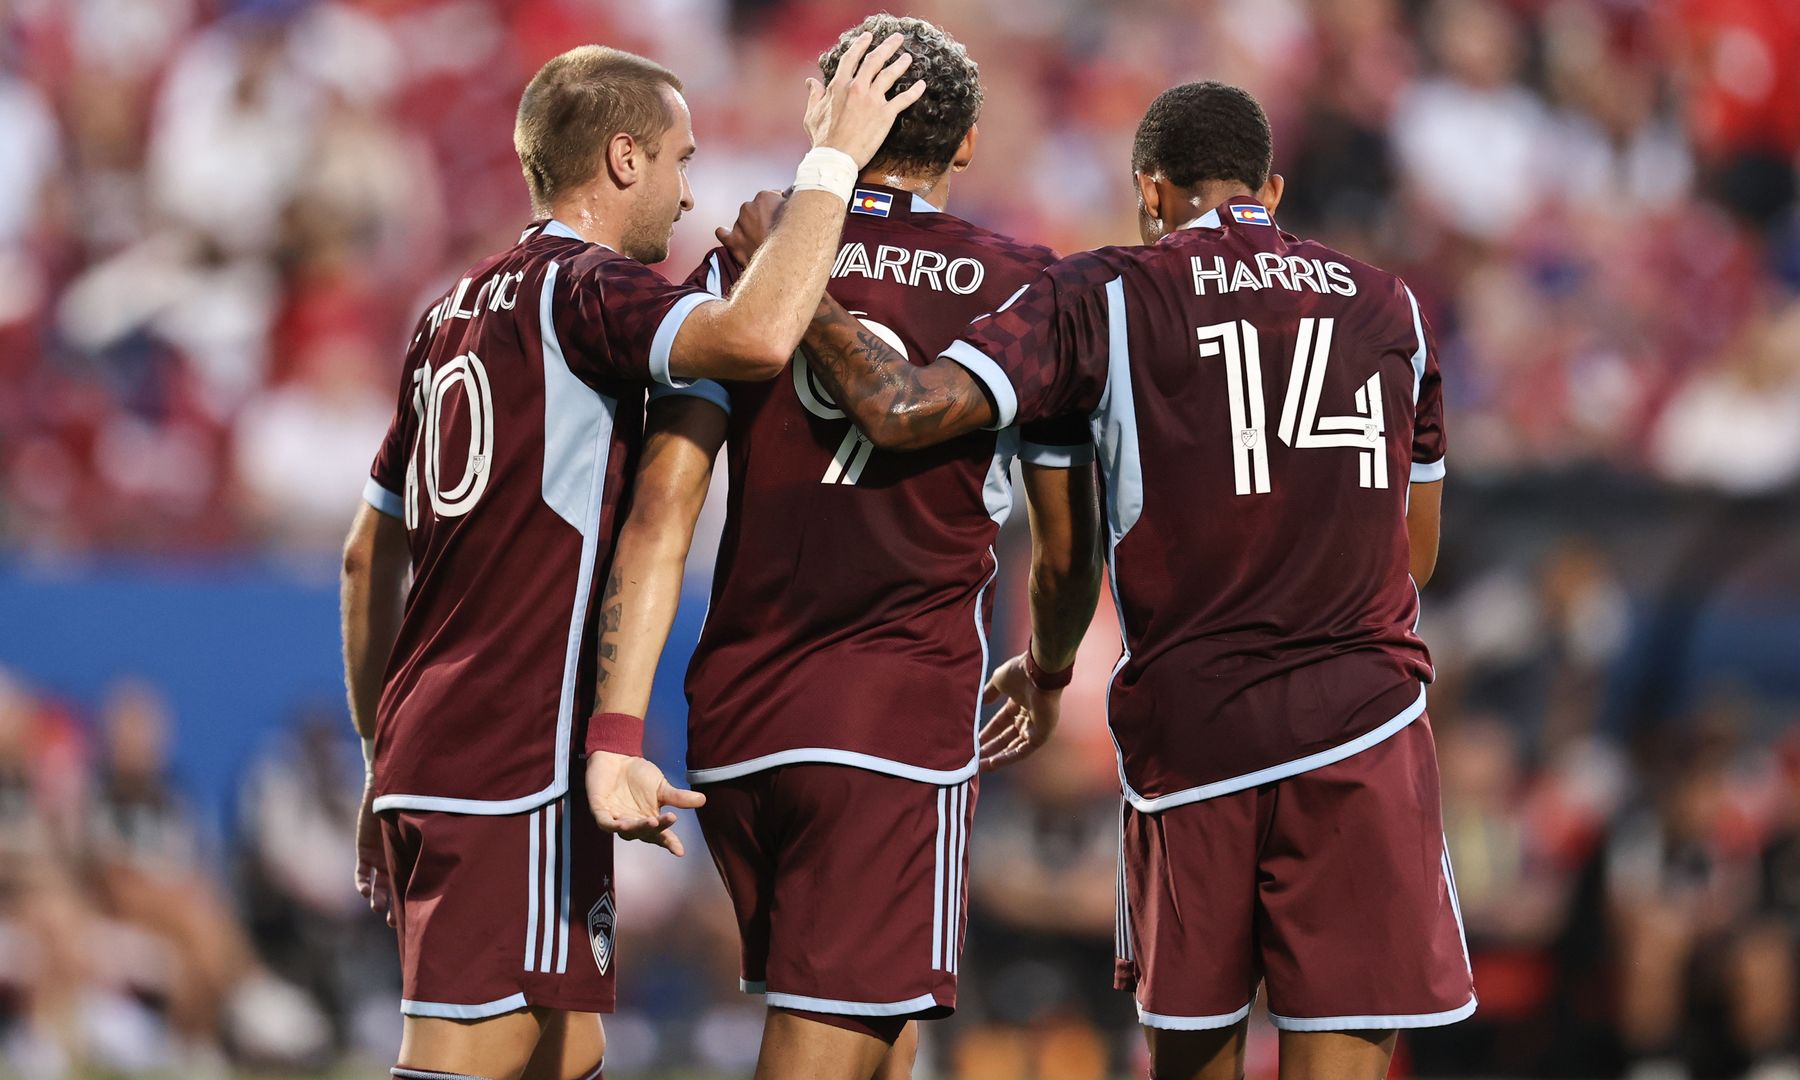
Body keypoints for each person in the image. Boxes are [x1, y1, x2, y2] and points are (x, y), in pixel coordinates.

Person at [720, 80, 1468, 1080]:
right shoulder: (1395, 306)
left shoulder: (1101, 293)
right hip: (1365, 736)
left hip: (1199, 742)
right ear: (1272, 190)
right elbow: (1413, 554)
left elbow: (902, 408)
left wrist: (789, 267)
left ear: (1148, 192)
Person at [337, 37, 926, 1080]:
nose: (687, 191)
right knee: (461, 1059)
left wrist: (386, 751)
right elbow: (752, 340)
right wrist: (830, 165)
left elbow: (362, 555)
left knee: (564, 1056)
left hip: (453, 745)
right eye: (679, 160)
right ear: (622, 159)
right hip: (508, 753)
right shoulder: (585, 291)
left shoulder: (444, 319)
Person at [590, 17, 1104, 1080]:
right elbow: (1061, 548)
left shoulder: (744, 265)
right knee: (831, 1041)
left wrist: (621, 725)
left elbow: (661, 515)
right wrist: (1049, 670)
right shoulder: (1023, 281)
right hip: (889, 718)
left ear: (828, 119)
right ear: (965, 147)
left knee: (878, 1031)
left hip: (738, 718)